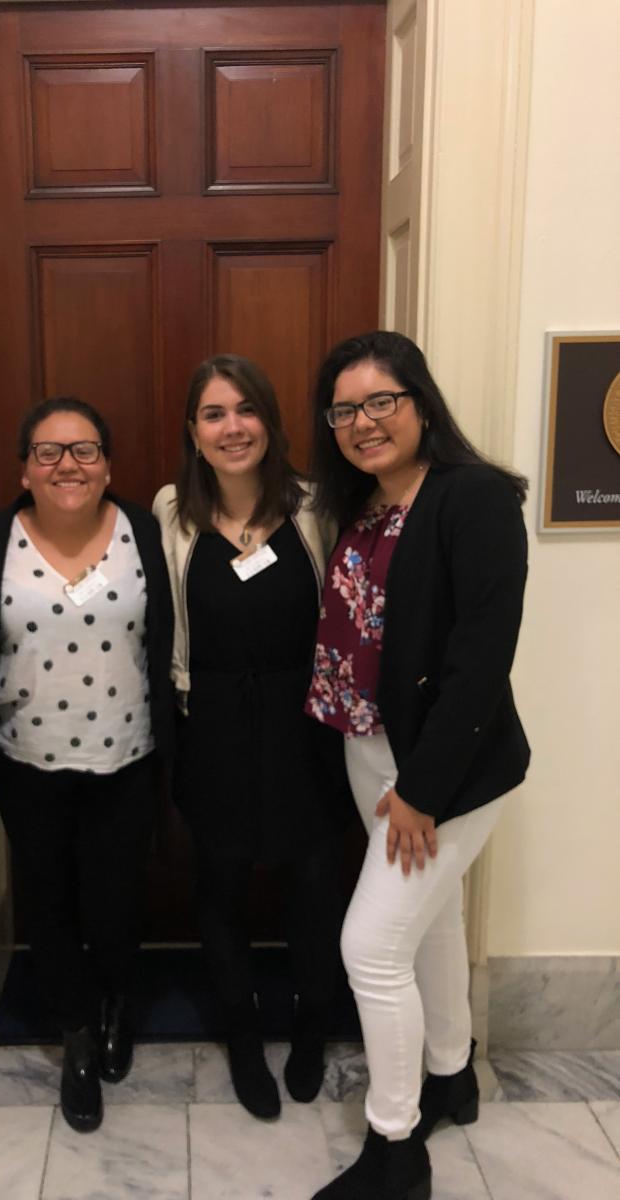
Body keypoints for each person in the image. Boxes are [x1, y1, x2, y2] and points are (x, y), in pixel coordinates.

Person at [304, 331, 530, 1200]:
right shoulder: (361, 505)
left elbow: (480, 662)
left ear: (421, 404)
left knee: (370, 947)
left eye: (380, 402)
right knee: (429, 925)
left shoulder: (471, 498)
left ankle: (395, 1149)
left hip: (444, 769)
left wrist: (422, 792)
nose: (363, 423)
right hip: (372, 751)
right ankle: (450, 1075)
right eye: (345, 409)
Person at [0, 396, 173, 1134]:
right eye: (48, 452)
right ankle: (75, 1035)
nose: (67, 465)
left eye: (84, 450)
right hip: (27, 763)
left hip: (128, 757)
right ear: (23, 468)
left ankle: (115, 1004)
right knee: (47, 903)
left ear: (108, 465)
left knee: (115, 901)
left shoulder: (145, 530)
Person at [153, 353, 345, 1120]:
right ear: (193, 433)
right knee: (222, 890)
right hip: (215, 732)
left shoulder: (318, 506)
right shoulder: (172, 512)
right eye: (213, 413)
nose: (232, 427)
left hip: (309, 731)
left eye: (246, 410)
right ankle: (241, 1035)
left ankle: (310, 1027)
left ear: (270, 421)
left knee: (313, 891)